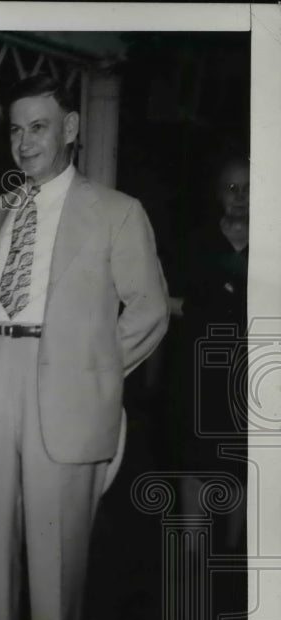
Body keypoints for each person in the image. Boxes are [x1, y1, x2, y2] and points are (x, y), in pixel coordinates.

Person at [0, 73, 169, 620]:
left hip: (64, 388)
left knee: (56, 553)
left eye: (39, 127)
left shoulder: (117, 211)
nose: (24, 142)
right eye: (16, 130)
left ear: (70, 128)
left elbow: (150, 309)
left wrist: (92, 370)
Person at [173, 154, 249, 552]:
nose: (240, 196)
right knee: (194, 461)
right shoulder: (196, 243)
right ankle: (192, 554)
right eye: (232, 188)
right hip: (200, 373)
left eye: (249, 188)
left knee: (242, 465)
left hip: (252, 375)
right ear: (218, 193)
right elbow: (167, 300)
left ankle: (233, 556)